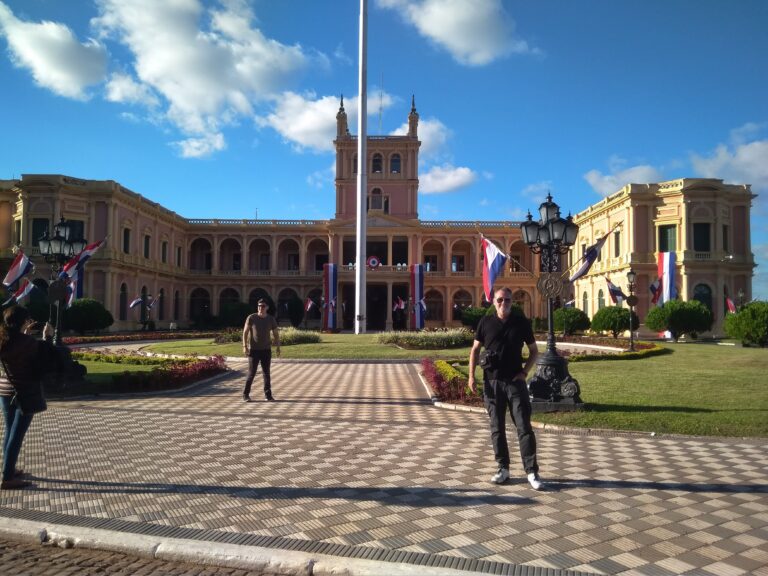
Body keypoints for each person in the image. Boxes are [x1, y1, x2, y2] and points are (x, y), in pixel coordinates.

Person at [469, 287, 542, 490]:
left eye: (507, 300)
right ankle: (503, 468)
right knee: (496, 428)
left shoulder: (521, 323)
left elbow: (534, 351)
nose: (504, 303)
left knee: (524, 427)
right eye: (500, 300)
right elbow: (475, 350)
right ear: (493, 301)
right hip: (491, 383)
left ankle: (531, 471)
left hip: (515, 382)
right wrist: (471, 377)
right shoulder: (485, 322)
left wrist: (525, 372)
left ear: (512, 302)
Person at [0, 306, 55, 490]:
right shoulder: (27, 342)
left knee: (9, 431)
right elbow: (45, 356)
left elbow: (17, 350)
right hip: (25, 391)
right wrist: (48, 336)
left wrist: (24, 333)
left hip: (5, 390)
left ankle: (8, 468)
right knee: (17, 435)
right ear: (24, 321)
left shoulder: (4, 339)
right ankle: (7, 478)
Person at [242, 299, 280, 402]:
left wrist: (277, 346)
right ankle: (245, 395)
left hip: (266, 350)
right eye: (259, 306)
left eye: (263, 306)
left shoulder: (271, 319)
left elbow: (276, 333)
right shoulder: (251, 317)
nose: (260, 307)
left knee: (266, 373)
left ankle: (268, 395)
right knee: (251, 373)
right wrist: (244, 346)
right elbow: (245, 332)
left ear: (267, 307)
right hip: (254, 351)